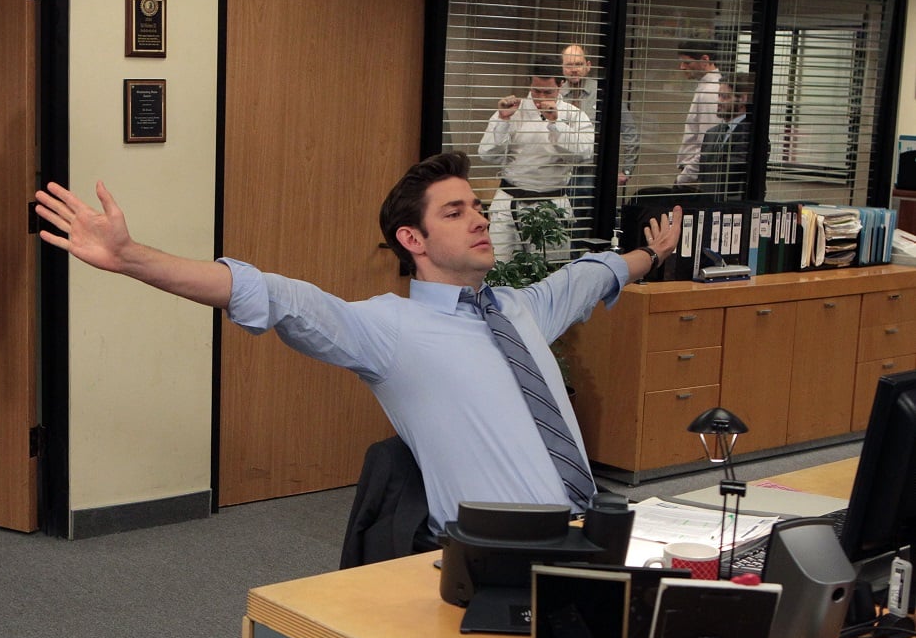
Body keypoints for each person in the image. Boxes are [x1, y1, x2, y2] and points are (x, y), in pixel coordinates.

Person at [34, 152, 680, 535]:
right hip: (503, 554)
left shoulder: (523, 307)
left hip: (591, 529)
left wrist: (650, 254)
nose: (479, 218)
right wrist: (132, 257)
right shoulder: (387, 329)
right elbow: (271, 294)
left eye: (477, 206)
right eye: (455, 212)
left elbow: (592, 276)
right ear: (412, 240)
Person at [477, 57, 594, 261]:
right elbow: (487, 154)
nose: (540, 97)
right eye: (536, 91)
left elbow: (584, 154)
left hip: (551, 204)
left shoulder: (574, 116)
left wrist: (556, 122)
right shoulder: (513, 110)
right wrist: (503, 120)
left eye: (547, 92)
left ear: (561, 85)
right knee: (499, 268)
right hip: (510, 201)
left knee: (549, 271)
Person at [559, 44, 641, 211]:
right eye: (569, 65)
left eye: (578, 64)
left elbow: (630, 132)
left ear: (588, 66)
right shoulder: (555, 94)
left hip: (593, 174)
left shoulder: (604, 93)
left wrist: (626, 170)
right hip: (559, 173)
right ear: (562, 67)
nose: (573, 70)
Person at [674, 40, 723, 187]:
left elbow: (707, 145)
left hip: (696, 176)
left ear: (705, 60)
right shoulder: (706, 87)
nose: (682, 67)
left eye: (687, 63)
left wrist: (685, 177)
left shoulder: (711, 91)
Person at [699, 72, 754, 202]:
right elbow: (704, 176)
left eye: (724, 97)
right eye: (719, 96)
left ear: (742, 99)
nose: (719, 101)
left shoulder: (751, 136)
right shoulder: (711, 134)